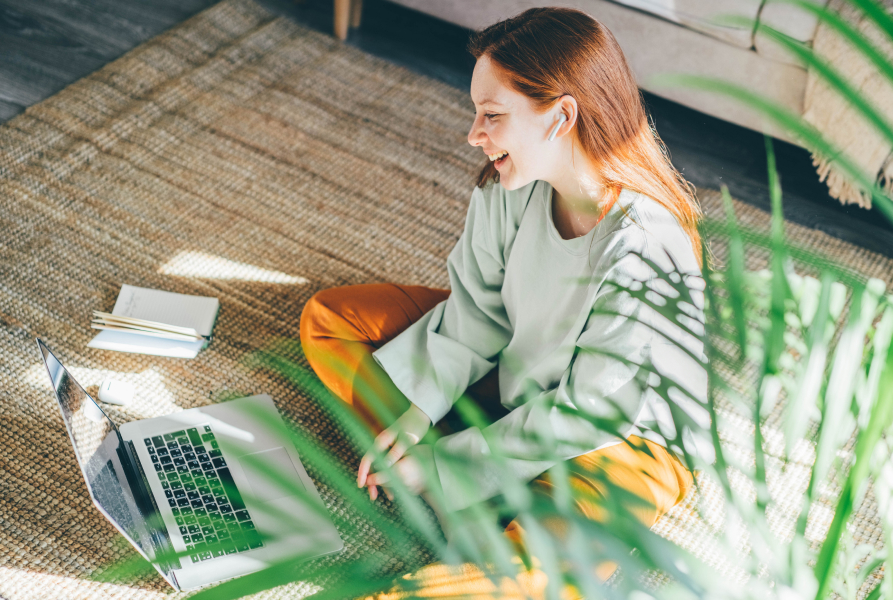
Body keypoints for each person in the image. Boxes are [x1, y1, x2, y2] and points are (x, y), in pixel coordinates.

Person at [300, 6, 710, 590]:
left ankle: (476, 507)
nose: (474, 134)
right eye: (477, 113)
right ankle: (472, 494)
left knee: (525, 571)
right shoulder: (511, 184)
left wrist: (447, 464)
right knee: (332, 320)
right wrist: (417, 420)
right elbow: (474, 311)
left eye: (492, 115)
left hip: (617, 441)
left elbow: (583, 415)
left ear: (561, 117)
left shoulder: (648, 246)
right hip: (519, 373)